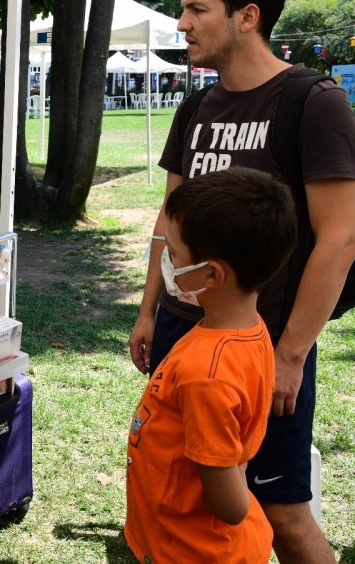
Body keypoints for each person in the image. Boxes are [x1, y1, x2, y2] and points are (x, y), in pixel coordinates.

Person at [127, 0, 355, 564]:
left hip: (262, 346)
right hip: (184, 329)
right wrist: (150, 308)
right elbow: (169, 215)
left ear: (247, 16)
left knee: (283, 512)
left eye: (196, 9)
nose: (181, 24)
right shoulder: (197, 104)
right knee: (183, 488)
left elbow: (338, 240)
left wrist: (291, 355)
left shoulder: (314, 104)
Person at [125, 167, 297, 563]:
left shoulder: (208, 374)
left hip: (195, 549)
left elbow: (232, 507)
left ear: (212, 274)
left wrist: (229, 471)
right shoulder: (251, 332)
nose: (167, 261)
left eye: (174, 254)